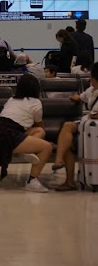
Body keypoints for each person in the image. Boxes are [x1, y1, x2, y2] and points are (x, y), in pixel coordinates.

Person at [0, 74, 52, 192]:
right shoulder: (35, 102)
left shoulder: (12, 99)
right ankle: (32, 181)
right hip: (9, 134)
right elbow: (39, 124)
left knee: (40, 132)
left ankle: (25, 151)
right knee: (46, 147)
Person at [51, 63, 98, 191]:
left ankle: (60, 163)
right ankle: (62, 166)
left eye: (91, 77)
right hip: (88, 127)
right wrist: (71, 98)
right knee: (67, 137)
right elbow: (78, 97)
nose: (89, 79)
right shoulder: (91, 91)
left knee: (67, 134)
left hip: (94, 129)